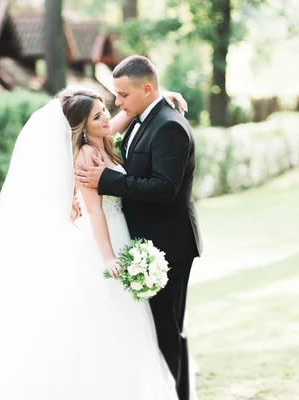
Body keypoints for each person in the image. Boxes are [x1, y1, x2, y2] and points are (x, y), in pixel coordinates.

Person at [0, 88, 189, 399]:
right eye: (97, 115)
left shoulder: (100, 138)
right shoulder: (86, 156)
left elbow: (124, 116)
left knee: (124, 327)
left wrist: (156, 96)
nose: (106, 117)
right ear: (82, 126)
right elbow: (94, 214)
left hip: (121, 235)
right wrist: (107, 257)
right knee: (102, 324)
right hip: (103, 243)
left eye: (104, 110)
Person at [75, 55, 203, 400]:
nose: (118, 103)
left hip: (168, 245)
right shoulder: (141, 117)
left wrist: (109, 180)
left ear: (147, 89)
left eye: (124, 95)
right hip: (142, 241)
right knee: (160, 331)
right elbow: (119, 119)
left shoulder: (169, 126)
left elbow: (164, 189)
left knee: (167, 331)